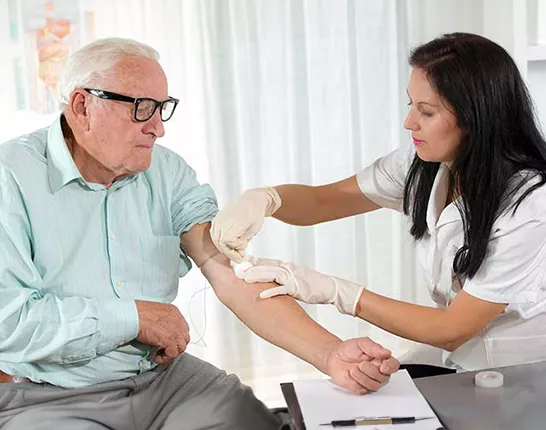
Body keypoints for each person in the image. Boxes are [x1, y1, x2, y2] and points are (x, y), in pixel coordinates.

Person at [0, 38, 400, 430]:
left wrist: (330, 353)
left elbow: (228, 272)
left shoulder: (167, 172)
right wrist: (132, 318)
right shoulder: (10, 178)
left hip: (162, 381)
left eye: (162, 109)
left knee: (249, 420)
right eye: (141, 109)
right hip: (46, 394)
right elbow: (9, 321)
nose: (157, 128)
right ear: (83, 106)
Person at [211, 32, 546, 375]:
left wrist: (336, 292)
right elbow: (320, 202)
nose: (409, 123)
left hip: (519, 372)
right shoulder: (421, 166)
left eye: (426, 112)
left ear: (476, 116)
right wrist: (267, 199)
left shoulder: (530, 204)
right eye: (410, 105)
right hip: (459, 359)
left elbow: (453, 329)